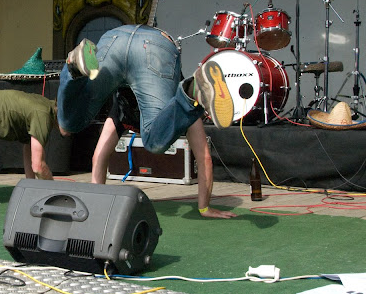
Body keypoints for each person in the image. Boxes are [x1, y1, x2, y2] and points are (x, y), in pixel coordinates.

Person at [58, 24, 236, 212]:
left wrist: (97, 203)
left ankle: (72, 69)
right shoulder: (173, 106)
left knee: (68, 124)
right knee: (155, 142)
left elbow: (99, 157)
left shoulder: (129, 109)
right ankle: (192, 90)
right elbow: (203, 157)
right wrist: (204, 208)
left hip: (114, 39)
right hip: (155, 46)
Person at [91, 88, 236, 218]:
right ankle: (96, 203)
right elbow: (98, 157)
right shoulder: (123, 108)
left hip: (171, 98)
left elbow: (204, 159)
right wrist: (204, 209)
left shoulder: (180, 107)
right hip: (131, 102)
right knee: (99, 156)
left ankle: (194, 86)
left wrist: (205, 208)